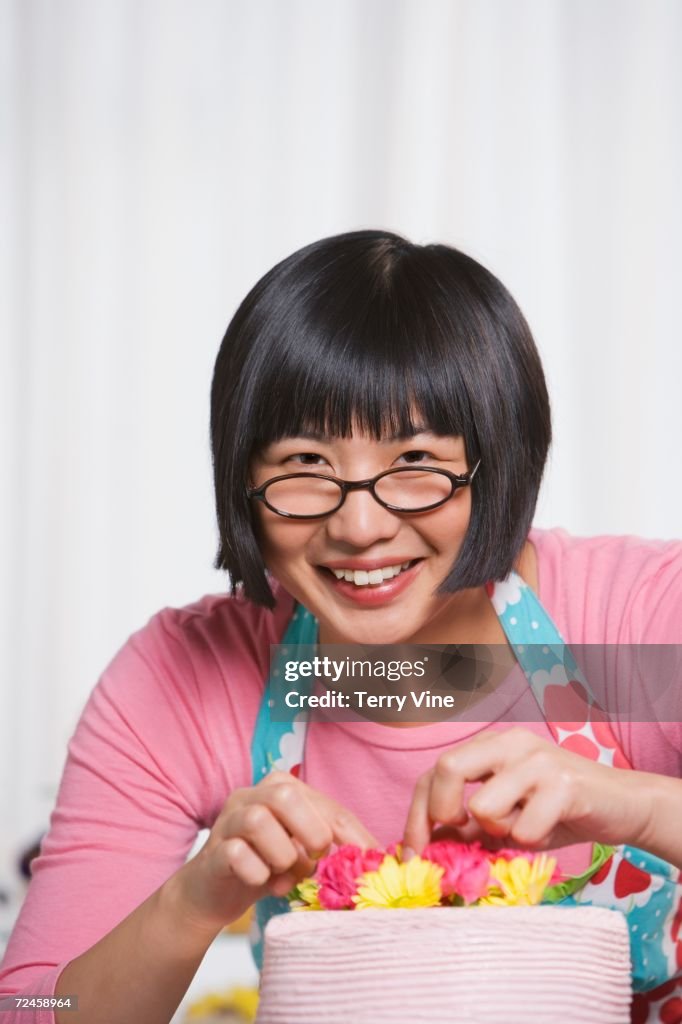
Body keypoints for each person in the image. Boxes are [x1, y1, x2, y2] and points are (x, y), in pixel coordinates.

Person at [0, 230, 680, 1024]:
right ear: (241, 479)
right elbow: (32, 1007)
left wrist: (630, 804)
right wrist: (193, 900)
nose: (360, 527)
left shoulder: (632, 633)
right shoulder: (189, 677)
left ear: (497, 464)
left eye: (417, 462)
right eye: (303, 467)